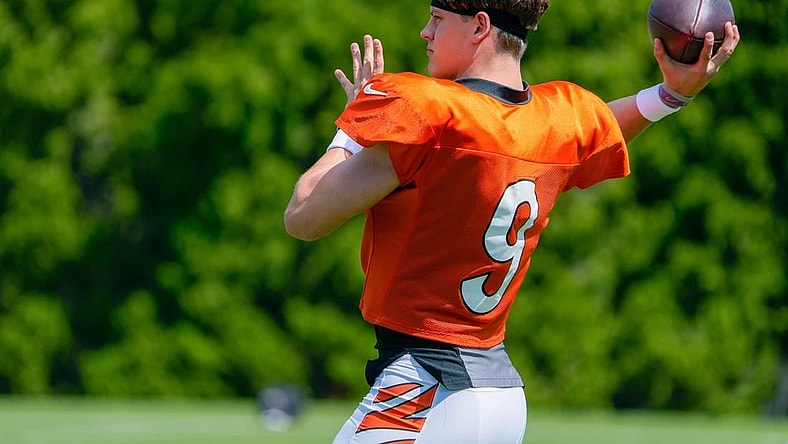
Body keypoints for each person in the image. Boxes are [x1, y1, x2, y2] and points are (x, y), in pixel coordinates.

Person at [284, 1, 740, 442]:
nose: (426, 32)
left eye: (438, 19)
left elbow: (304, 217)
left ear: (479, 26)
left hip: (425, 387)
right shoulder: (555, 120)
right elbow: (605, 126)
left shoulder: (431, 116)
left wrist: (349, 131)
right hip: (500, 397)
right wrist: (672, 94)